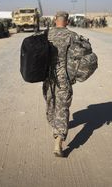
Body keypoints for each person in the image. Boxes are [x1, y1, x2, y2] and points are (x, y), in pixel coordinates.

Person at [43, 11, 80, 157]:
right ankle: (58, 138)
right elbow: (78, 57)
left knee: (51, 104)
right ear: (67, 21)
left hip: (47, 77)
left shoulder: (46, 34)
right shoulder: (72, 36)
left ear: (54, 20)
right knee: (62, 107)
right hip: (63, 78)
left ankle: (56, 131)